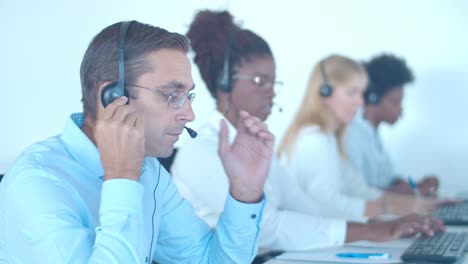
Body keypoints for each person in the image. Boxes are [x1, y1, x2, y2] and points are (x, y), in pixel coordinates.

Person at [171, 10, 444, 259]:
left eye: (272, 81)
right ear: (224, 83)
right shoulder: (203, 150)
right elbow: (266, 227)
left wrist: (381, 225)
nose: (271, 91)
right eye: (259, 81)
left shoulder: (255, 142)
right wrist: (374, 231)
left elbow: (303, 204)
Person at [0, 20, 275, 263]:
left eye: (188, 96)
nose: (189, 114)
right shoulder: (37, 184)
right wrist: (121, 180)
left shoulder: (149, 170)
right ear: (113, 96)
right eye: (172, 95)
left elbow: (208, 260)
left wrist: (244, 193)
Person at [277, 55, 448, 221]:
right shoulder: (314, 140)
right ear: (325, 92)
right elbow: (328, 204)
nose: (360, 102)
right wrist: (397, 212)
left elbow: (361, 190)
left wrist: (417, 205)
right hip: (307, 242)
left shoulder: (331, 138)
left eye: (361, 93)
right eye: (352, 93)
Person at [345, 53, 439, 195]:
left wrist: (416, 185)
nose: (400, 109)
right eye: (395, 102)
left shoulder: (373, 133)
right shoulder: (352, 136)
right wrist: (410, 191)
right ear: (373, 98)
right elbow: (358, 194)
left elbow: (391, 180)